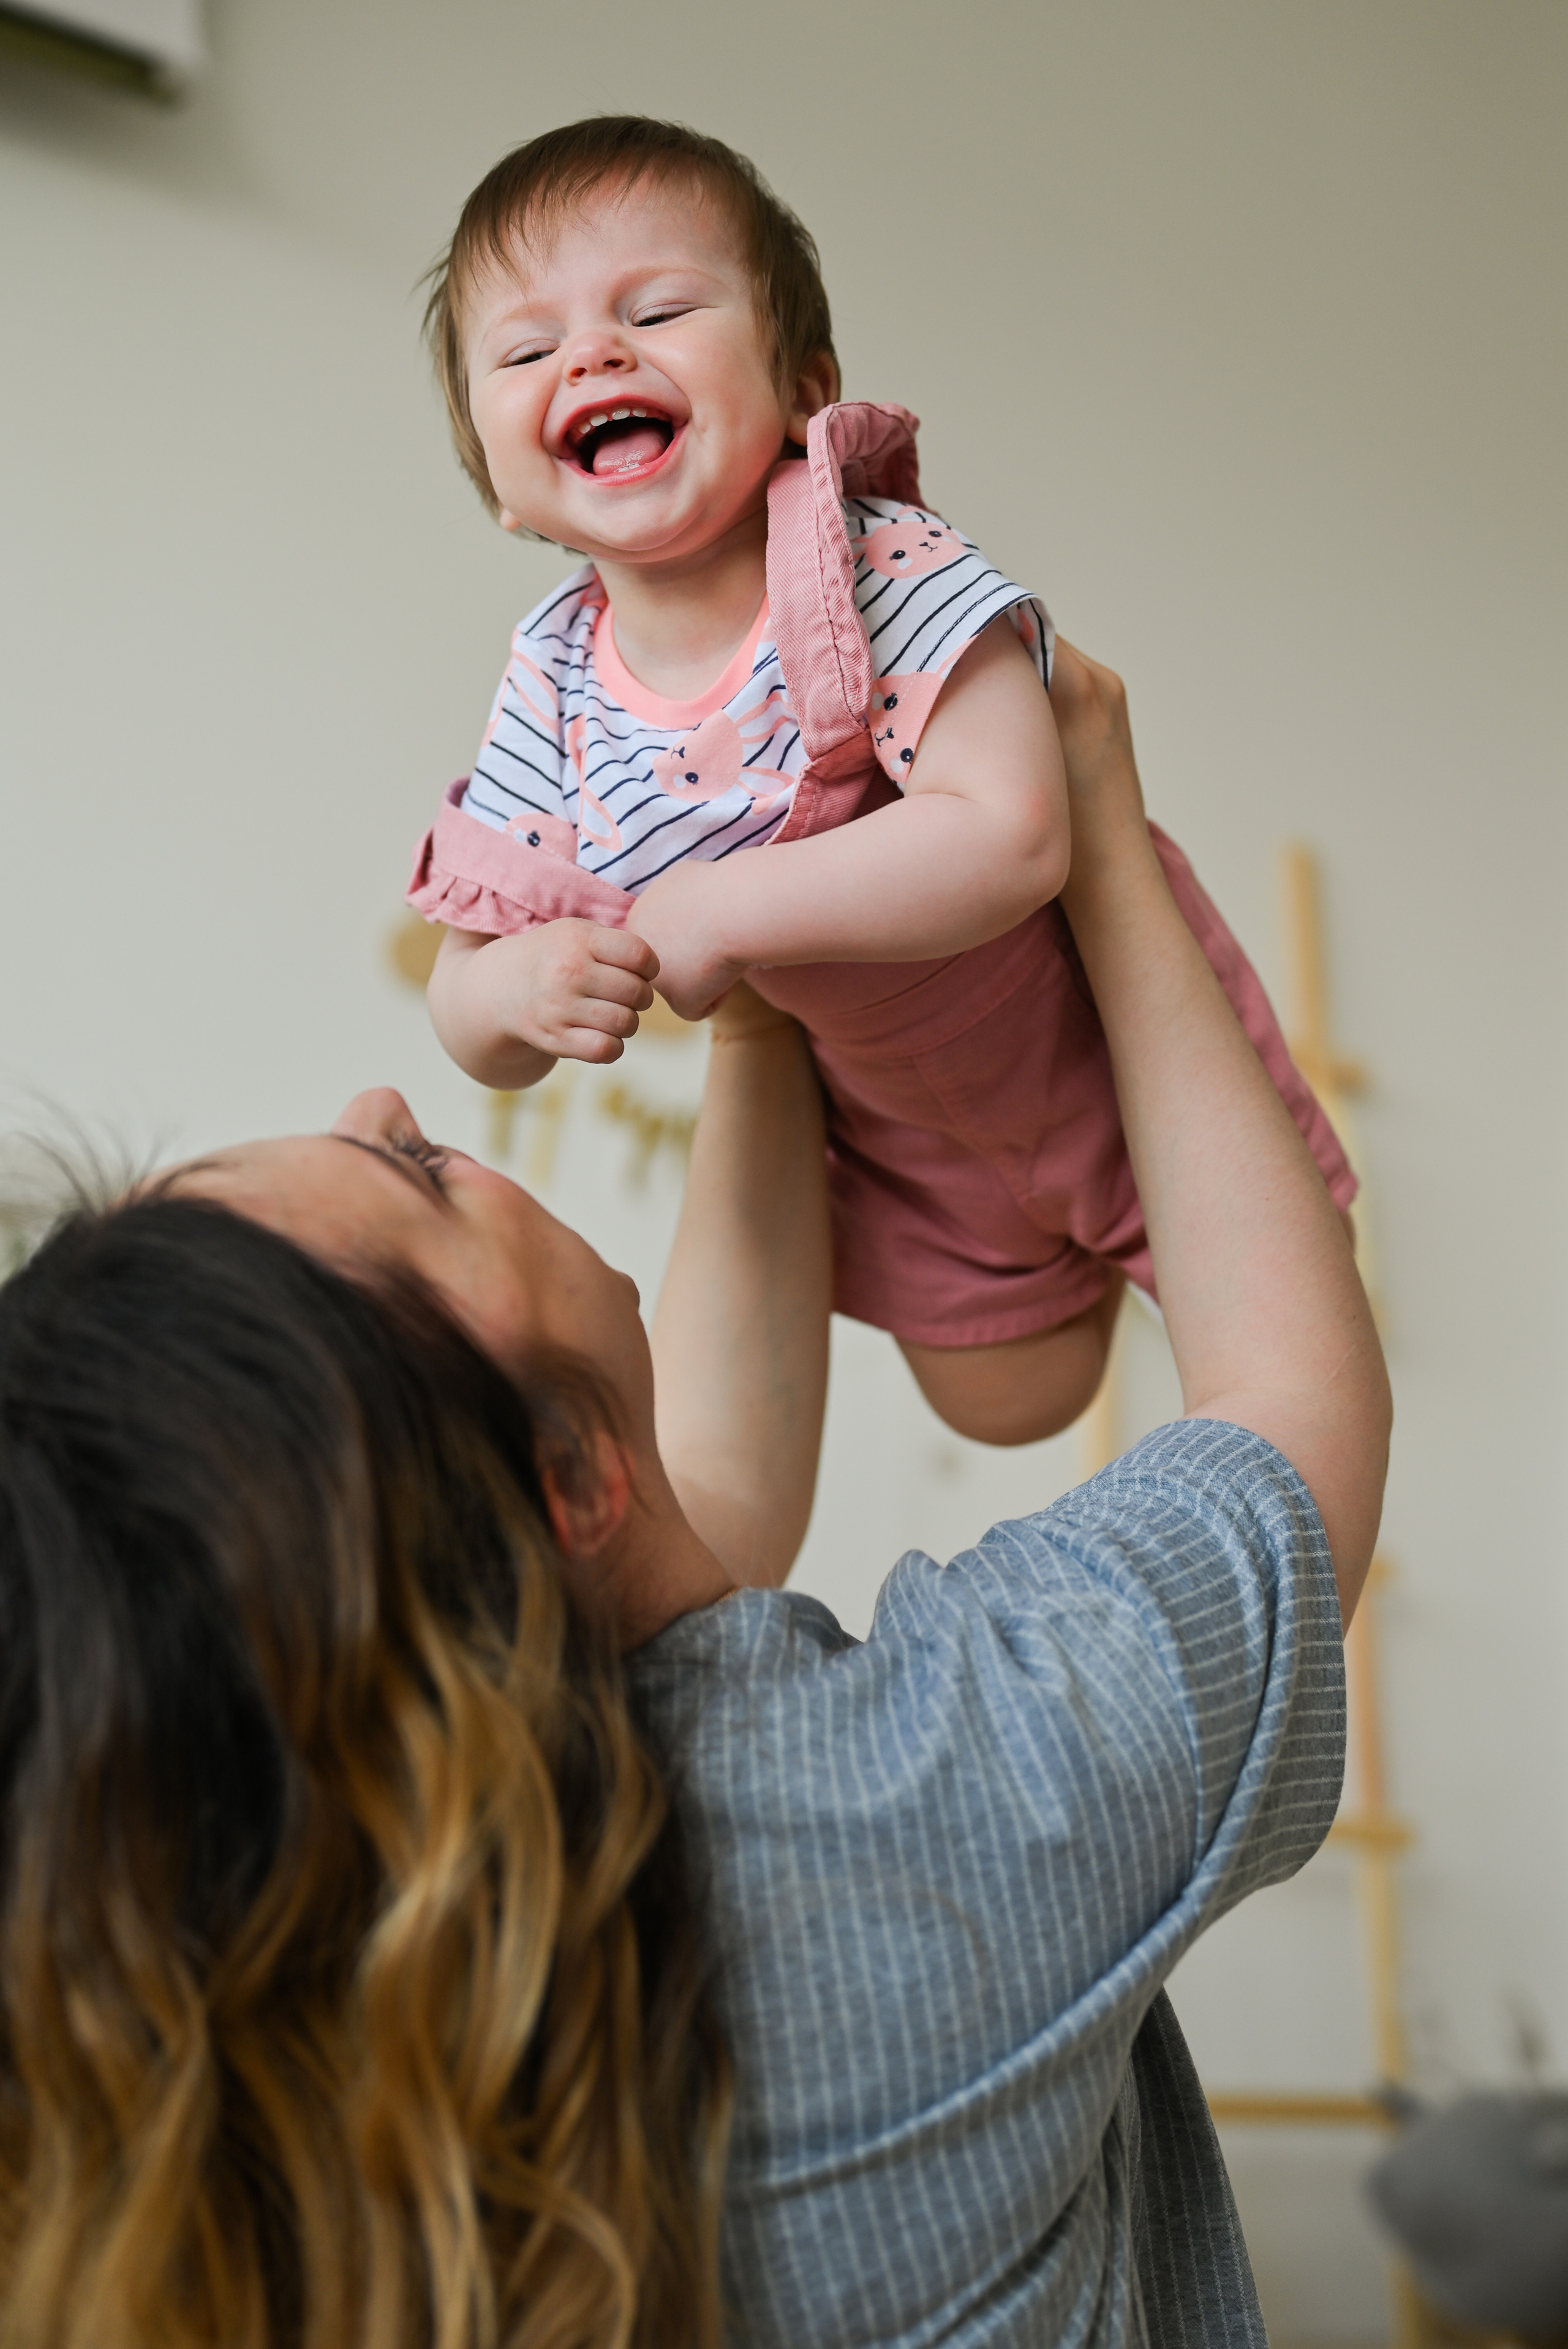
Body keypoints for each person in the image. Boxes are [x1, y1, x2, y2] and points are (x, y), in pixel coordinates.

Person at [0, 645, 1390, 2345]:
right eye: (415, 1173)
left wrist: (763, 966)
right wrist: (1096, 824)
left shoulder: (275, 2012)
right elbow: (1281, 1407)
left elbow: (707, 1503)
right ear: (566, 1477)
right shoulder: (909, 1821)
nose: (386, 1096)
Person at [406, 115, 1359, 1449]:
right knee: (1006, 1403)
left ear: (803, 388)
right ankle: (1060, 1274)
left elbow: (1015, 834)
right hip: (907, 1127)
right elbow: (464, 996)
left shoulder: (867, 556)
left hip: (1100, 1034)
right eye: (524, 350)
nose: (592, 354)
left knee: (1285, 1351)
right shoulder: (553, 680)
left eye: (657, 311)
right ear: (497, 481)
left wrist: (721, 909)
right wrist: (517, 993)